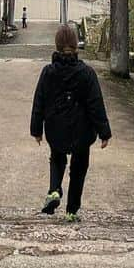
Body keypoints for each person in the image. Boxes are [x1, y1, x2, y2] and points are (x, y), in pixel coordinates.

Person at [30, 23, 112, 222]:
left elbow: (39, 101)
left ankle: (54, 190)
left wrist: (36, 130)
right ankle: (71, 211)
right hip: (82, 130)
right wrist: (104, 132)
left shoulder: (48, 72)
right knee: (79, 168)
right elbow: (95, 104)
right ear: (76, 45)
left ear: (57, 46)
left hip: (56, 127)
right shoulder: (87, 73)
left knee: (57, 158)